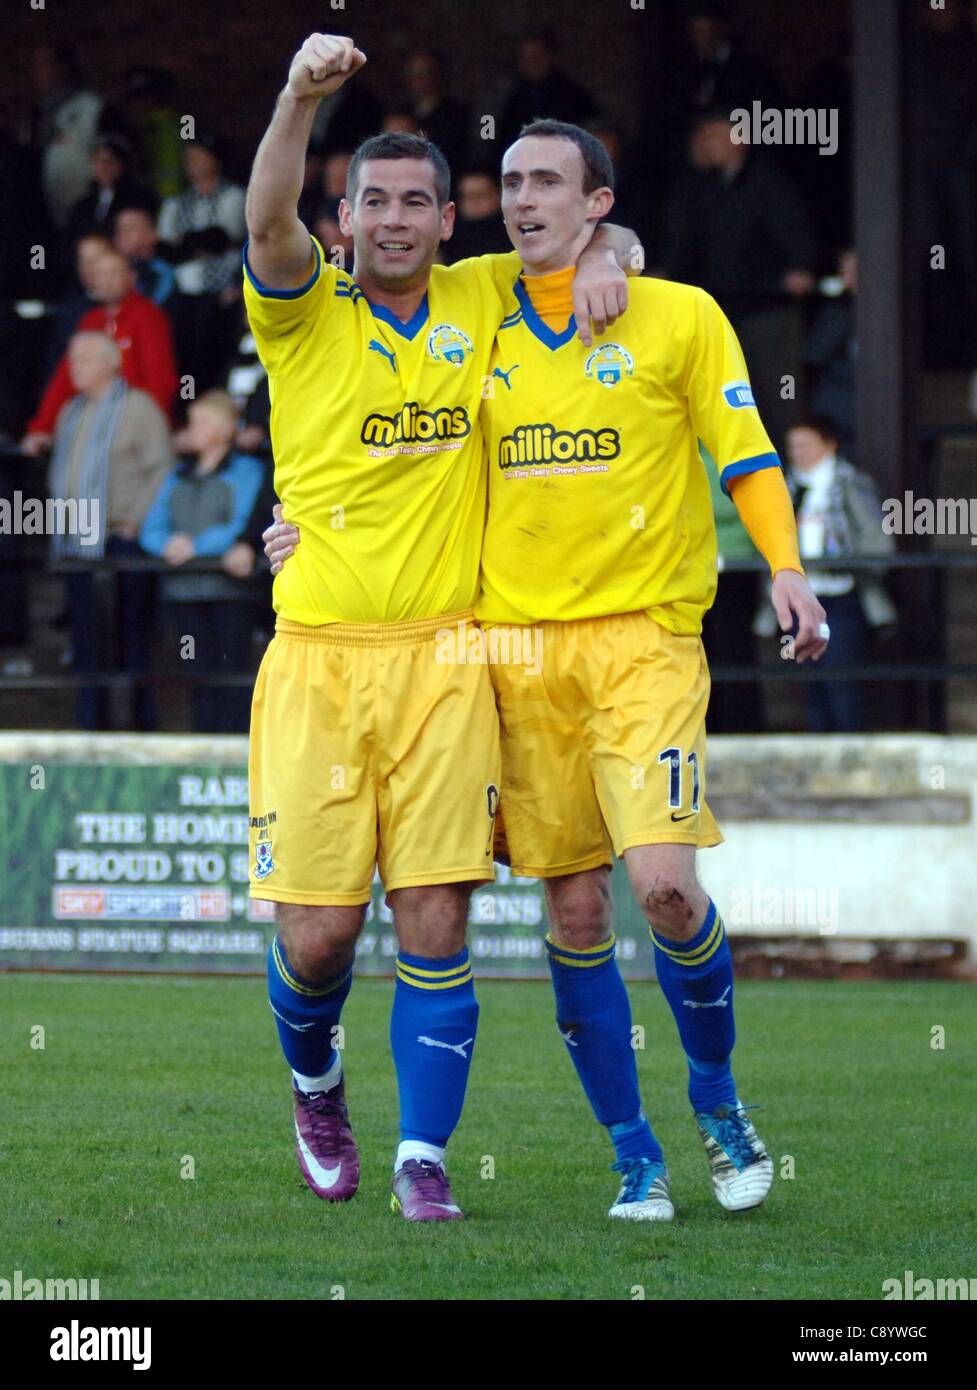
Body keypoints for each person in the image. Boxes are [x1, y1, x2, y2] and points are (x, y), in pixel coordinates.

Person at [266, 118, 829, 1222]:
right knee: (573, 912)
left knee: (663, 888)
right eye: (510, 183)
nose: (523, 199)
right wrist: (302, 527)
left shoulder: (674, 312)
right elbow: (377, 448)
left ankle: (714, 1099)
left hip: (643, 640)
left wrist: (786, 568)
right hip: (509, 654)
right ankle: (633, 1155)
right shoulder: (474, 307)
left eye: (549, 183)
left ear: (601, 202)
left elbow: (746, 450)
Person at [243, 32, 633, 1224]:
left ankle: (423, 1153)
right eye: (375, 202)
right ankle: (316, 1076)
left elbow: (578, 230)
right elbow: (264, 219)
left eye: (420, 200)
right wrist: (297, 98)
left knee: (436, 915)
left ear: (446, 223)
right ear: (345, 220)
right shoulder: (304, 313)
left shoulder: (482, 300)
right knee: (317, 938)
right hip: (315, 663)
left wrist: (615, 244)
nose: (398, 218)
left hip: (450, 660)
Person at [658, 112, 818, 451]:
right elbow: (680, 242)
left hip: (767, 305)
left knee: (779, 394)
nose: (706, 143)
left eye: (715, 134)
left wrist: (801, 266)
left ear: (740, 138)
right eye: (702, 136)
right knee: (726, 393)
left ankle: (793, 477)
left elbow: (795, 229)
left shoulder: (769, 179)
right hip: (717, 307)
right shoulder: (696, 185)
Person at [46, 331, 172, 729]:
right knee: (88, 647)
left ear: (110, 363)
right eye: (72, 359)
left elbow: (162, 469)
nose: (74, 367)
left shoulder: (138, 407)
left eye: (84, 359)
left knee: (132, 644)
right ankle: (91, 733)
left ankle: (140, 734)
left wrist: (137, 519)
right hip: (80, 546)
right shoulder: (70, 411)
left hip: (123, 541)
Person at [755, 414, 895, 732]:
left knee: (842, 683)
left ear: (829, 445)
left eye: (806, 444)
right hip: (798, 599)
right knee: (810, 685)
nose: (798, 452)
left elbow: (879, 544)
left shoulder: (851, 484)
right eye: (793, 445)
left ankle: (853, 764)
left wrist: (839, 561)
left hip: (841, 597)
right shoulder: (785, 488)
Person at [140, 391, 264, 733]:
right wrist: (168, 543)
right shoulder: (176, 475)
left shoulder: (247, 470)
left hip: (228, 591)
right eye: (194, 422)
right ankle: (203, 742)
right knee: (196, 676)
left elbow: (244, 523)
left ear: (226, 429)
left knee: (232, 674)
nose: (194, 430)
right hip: (183, 593)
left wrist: (193, 545)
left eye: (205, 422)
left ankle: (234, 747)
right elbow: (151, 526)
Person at [21, 249, 178, 452]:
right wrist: (42, 428)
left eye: (114, 273)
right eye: (100, 275)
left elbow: (161, 381)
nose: (107, 281)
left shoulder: (148, 316)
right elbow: (65, 379)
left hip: (132, 426)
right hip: (91, 423)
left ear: (131, 278)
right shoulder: (90, 320)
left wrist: (145, 426)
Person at [498, 30, 597, 152]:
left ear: (549, 57)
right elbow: (497, 135)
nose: (531, 63)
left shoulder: (574, 97)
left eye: (536, 57)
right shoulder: (510, 98)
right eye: (525, 58)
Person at [112, 193, 177, 307]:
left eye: (131, 228)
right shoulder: (109, 271)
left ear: (153, 234)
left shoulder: (163, 273)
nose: (122, 234)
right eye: (119, 228)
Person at [440, 168, 511, 263]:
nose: (473, 203)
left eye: (480, 196)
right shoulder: (445, 241)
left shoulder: (512, 237)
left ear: (497, 196)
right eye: (466, 197)